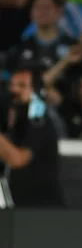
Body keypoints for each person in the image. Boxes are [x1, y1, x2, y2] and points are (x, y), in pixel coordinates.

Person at [0, 69, 64, 206]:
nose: (14, 90)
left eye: (22, 86)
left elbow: (17, 160)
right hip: (18, 206)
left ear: (37, 92)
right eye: (12, 85)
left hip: (42, 208)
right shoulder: (11, 116)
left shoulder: (38, 118)